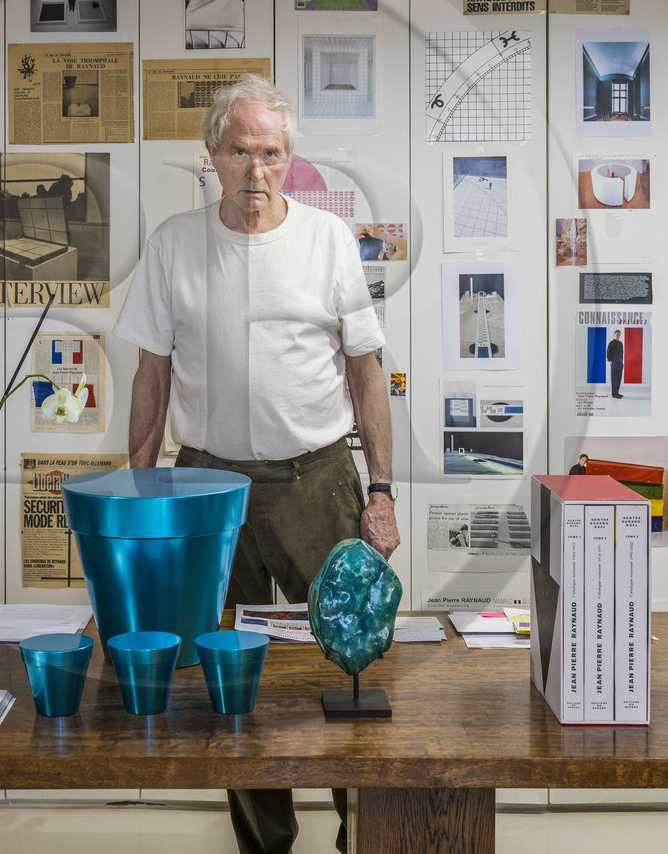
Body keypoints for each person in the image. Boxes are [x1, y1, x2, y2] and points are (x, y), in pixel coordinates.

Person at [114, 74, 396, 854]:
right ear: (214, 154)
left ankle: (358, 832)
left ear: (290, 156)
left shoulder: (327, 239)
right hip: (209, 485)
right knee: (227, 676)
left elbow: (366, 370)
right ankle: (265, 843)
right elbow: (152, 374)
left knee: (346, 666)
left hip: (317, 479)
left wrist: (381, 492)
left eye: (270, 153)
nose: (256, 171)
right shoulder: (174, 243)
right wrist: (139, 487)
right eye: (240, 152)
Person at [607, 329, 625, 399]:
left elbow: (621, 353)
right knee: (614, 379)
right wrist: (610, 361)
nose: (618, 336)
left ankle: (617, 393)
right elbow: (608, 352)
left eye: (619, 335)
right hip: (614, 363)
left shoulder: (620, 343)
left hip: (620, 363)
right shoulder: (611, 343)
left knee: (619, 378)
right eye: (617, 335)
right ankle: (613, 394)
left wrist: (622, 361)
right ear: (614, 335)